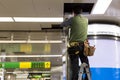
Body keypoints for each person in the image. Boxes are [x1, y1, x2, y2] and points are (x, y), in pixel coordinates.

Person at [61, 7, 90, 80]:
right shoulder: (86, 20)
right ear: (81, 12)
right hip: (84, 46)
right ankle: (87, 77)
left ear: (73, 13)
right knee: (85, 62)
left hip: (74, 47)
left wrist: (68, 19)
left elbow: (62, 24)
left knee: (74, 65)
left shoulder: (72, 19)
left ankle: (75, 79)